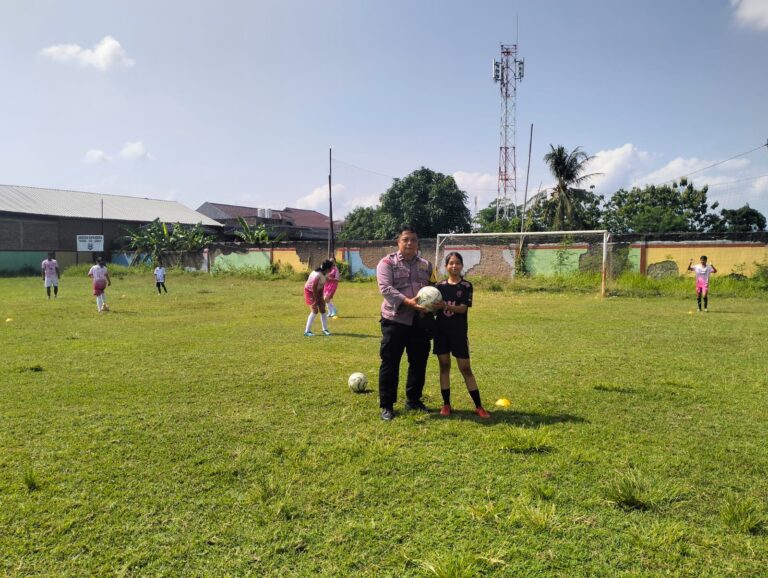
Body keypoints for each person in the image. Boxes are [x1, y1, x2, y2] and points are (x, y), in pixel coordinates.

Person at [376, 225, 436, 421]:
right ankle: (387, 405)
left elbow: (433, 288)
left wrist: (436, 302)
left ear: (418, 243)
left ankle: (414, 400)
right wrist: (407, 302)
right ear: (398, 242)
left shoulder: (426, 265)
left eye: (414, 240)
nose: (410, 243)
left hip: (420, 321)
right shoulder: (387, 263)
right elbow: (385, 288)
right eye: (406, 239)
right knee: (390, 362)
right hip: (395, 320)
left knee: (419, 362)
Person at [433, 252, 490, 419]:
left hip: (458, 333)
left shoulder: (466, 286)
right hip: (441, 332)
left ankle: (479, 406)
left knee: (465, 368)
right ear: (446, 266)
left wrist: (444, 306)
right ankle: (446, 405)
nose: (454, 266)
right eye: (451, 263)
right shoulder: (439, 287)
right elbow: (435, 309)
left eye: (457, 263)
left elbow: (463, 308)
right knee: (444, 367)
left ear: (461, 266)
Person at [304, 259, 334, 336]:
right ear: (327, 268)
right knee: (315, 310)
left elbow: (322, 285)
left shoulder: (326, 273)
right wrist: (316, 299)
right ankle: (307, 331)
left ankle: (325, 329)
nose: (332, 269)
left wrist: (321, 296)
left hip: (318, 290)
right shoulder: (317, 275)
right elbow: (313, 288)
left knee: (323, 309)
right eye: (331, 267)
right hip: (310, 291)